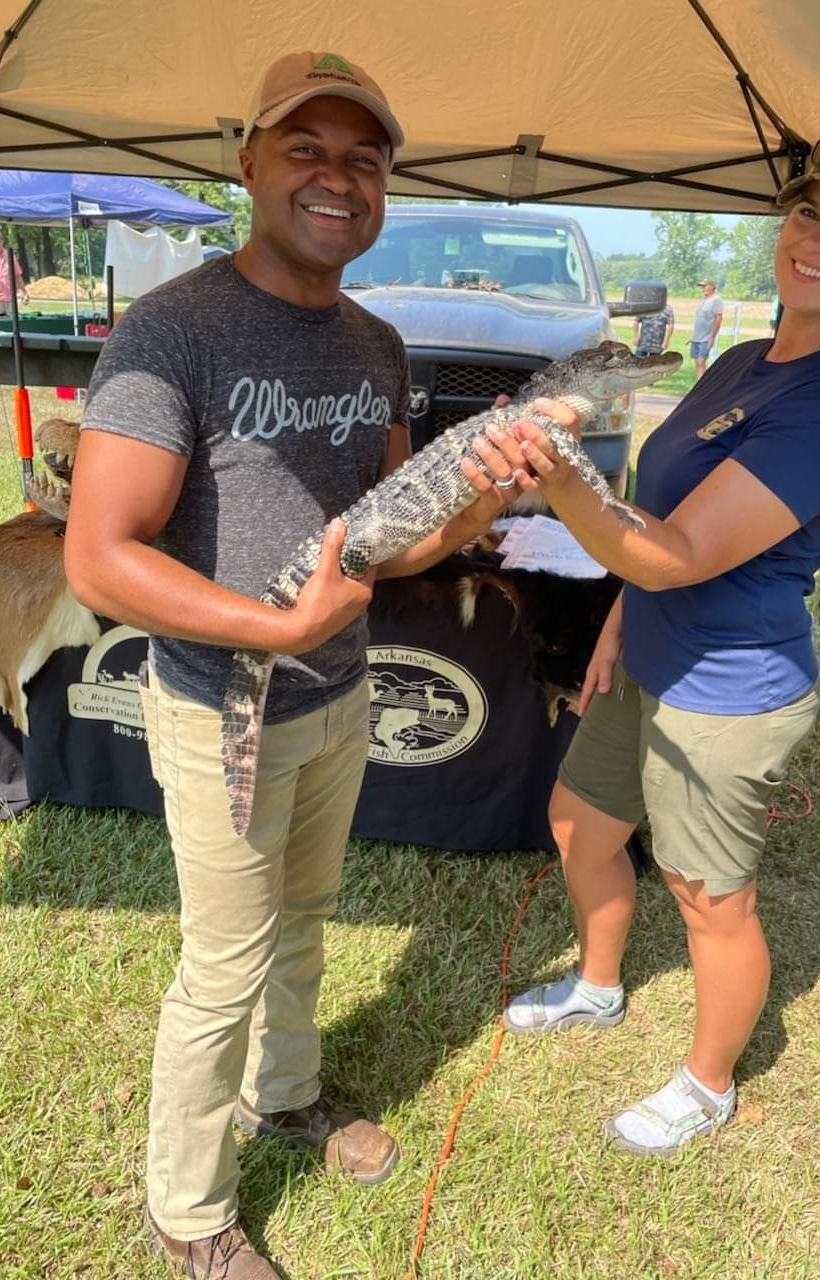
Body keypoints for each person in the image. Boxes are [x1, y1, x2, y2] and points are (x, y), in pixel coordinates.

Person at [64, 50, 524, 1279]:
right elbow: (100, 560)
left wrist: (477, 508)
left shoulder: (375, 341)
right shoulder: (175, 330)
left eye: (364, 159)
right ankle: (188, 1209)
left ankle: (286, 1093)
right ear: (251, 162)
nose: (338, 177)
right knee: (224, 962)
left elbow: (387, 527)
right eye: (307, 150)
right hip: (223, 702)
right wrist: (268, 628)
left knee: (306, 919)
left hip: (337, 694)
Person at [493, 129, 820, 1158]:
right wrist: (618, 623)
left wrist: (558, 469)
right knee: (579, 820)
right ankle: (597, 983)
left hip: (728, 689)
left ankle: (709, 1084)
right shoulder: (746, 358)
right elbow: (664, 521)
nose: (818, 239)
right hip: (648, 654)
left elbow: (674, 552)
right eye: (809, 211)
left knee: (710, 897)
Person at [689, 278, 724, 378]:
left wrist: (712, 337)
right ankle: (699, 384)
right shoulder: (703, 300)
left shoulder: (716, 300)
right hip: (696, 337)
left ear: (712, 286)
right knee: (697, 362)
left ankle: (702, 386)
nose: (703, 288)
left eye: (705, 286)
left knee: (701, 361)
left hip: (706, 337)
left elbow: (718, 318)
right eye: (702, 286)